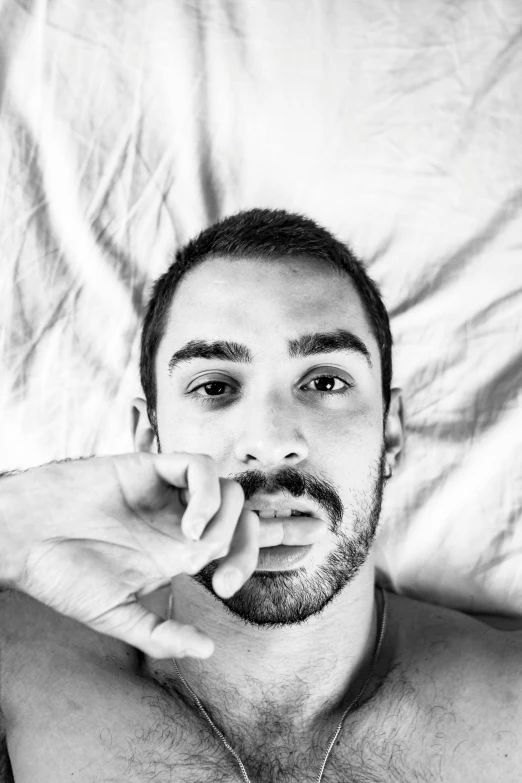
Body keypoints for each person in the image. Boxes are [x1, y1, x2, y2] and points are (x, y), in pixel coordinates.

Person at [0, 208, 521, 782]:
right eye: (215, 386)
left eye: (325, 382)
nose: (271, 444)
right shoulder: (18, 661)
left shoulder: (508, 701)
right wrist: (12, 520)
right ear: (151, 441)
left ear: (390, 432)